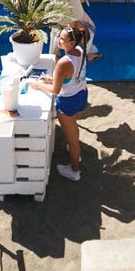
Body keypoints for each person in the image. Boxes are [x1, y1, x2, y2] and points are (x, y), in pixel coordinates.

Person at [31, 24, 89, 181]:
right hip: (81, 95)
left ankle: (74, 170)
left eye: (62, 38)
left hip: (68, 101)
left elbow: (55, 90)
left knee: (72, 139)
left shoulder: (63, 62)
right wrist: (53, 78)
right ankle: (74, 151)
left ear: (71, 43)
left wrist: (38, 85)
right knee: (74, 128)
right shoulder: (81, 51)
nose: (58, 40)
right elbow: (70, 76)